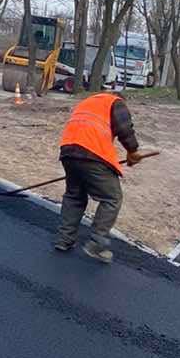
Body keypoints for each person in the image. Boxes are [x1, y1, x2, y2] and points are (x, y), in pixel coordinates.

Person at [53, 90, 143, 263]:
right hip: (91, 152)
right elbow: (124, 127)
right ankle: (97, 243)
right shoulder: (115, 102)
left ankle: (64, 240)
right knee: (112, 197)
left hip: (68, 150)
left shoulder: (89, 102)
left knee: (74, 196)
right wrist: (133, 151)